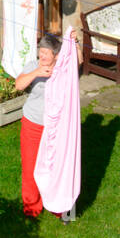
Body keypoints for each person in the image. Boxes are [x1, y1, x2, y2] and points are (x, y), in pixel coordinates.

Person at [15, 30, 77, 220]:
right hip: (33, 125)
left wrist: (75, 44)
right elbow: (18, 85)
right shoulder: (33, 66)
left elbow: (78, 62)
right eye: (40, 51)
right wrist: (36, 73)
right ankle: (31, 207)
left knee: (58, 168)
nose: (42, 55)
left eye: (46, 53)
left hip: (57, 129)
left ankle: (60, 207)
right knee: (30, 166)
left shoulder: (63, 68)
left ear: (56, 55)